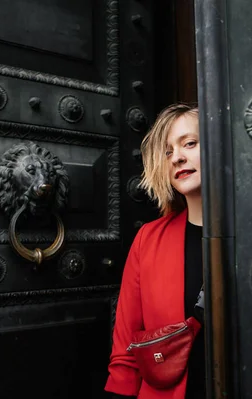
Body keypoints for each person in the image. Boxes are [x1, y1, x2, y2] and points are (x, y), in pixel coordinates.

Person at [105, 103, 205, 399]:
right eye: (168, 151)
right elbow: (125, 346)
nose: (177, 158)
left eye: (189, 143)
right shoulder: (149, 240)